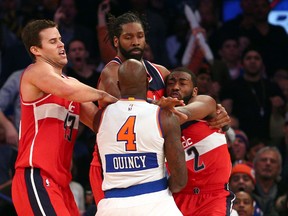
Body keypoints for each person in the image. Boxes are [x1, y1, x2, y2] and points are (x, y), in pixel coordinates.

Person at [11, 19, 117, 216]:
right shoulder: (35, 73)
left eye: (60, 39)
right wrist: (104, 95)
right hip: (36, 176)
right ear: (36, 50)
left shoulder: (74, 85)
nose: (61, 44)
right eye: (53, 41)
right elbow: (67, 90)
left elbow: (99, 123)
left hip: (61, 184)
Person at [93, 59, 187, 215]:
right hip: (155, 202)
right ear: (146, 82)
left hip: (112, 206)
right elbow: (180, 181)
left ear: (118, 85)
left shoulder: (100, 116)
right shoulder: (164, 117)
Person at [165, 67, 234, 215]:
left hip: (213, 196)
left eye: (182, 83)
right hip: (178, 196)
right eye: (171, 83)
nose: (175, 87)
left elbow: (185, 113)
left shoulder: (205, 102)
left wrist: (154, 113)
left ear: (195, 91)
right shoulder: (161, 122)